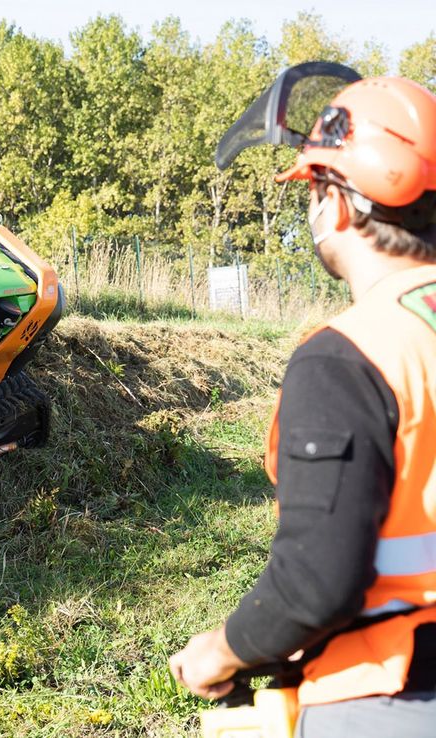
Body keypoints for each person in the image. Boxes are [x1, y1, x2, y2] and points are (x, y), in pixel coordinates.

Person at [169, 69, 436, 737]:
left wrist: (221, 649)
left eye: (313, 189)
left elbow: (318, 583)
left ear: (338, 204)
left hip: (392, 694)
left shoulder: (348, 356)